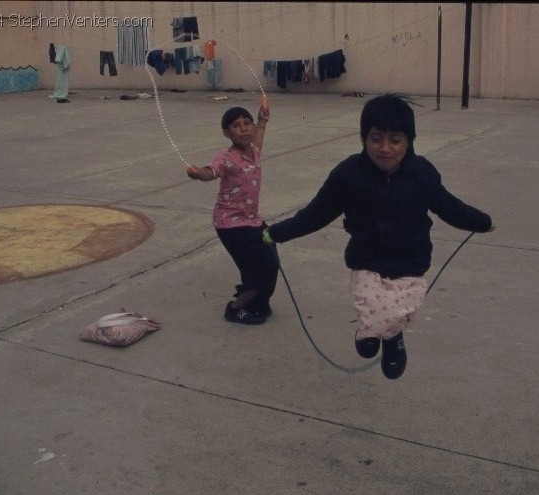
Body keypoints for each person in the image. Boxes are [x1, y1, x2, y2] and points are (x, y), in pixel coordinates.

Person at [262, 94, 495, 379]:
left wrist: (482, 222)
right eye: (376, 139)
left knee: (401, 310)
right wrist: (275, 233)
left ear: (409, 141)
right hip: (367, 259)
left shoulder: (422, 174)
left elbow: (449, 207)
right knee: (370, 302)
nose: (385, 149)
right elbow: (315, 214)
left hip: (411, 260)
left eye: (395, 140)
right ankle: (373, 332)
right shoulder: (348, 174)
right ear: (363, 139)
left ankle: (391, 338)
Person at [186, 103, 278, 325]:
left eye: (247, 124)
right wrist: (199, 173)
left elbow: (259, 135)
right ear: (227, 133)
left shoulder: (254, 151)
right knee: (258, 269)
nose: (244, 129)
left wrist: (262, 120)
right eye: (236, 126)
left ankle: (258, 302)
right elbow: (212, 171)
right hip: (230, 224)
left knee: (271, 261)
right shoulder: (225, 157)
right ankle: (236, 308)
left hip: (251, 220)